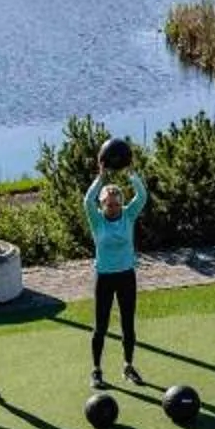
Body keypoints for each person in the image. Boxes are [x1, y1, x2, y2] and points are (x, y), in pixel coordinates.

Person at [84, 137, 149, 392]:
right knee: (100, 327)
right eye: (108, 204)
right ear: (102, 206)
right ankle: (97, 371)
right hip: (104, 277)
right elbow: (86, 201)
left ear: (121, 203)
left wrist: (131, 173)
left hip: (126, 276)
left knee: (128, 325)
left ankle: (128, 366)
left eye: (115, 203)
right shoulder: (97, 220)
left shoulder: (129, 215)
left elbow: (142, 196)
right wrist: (100, 177)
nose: (112, 208)